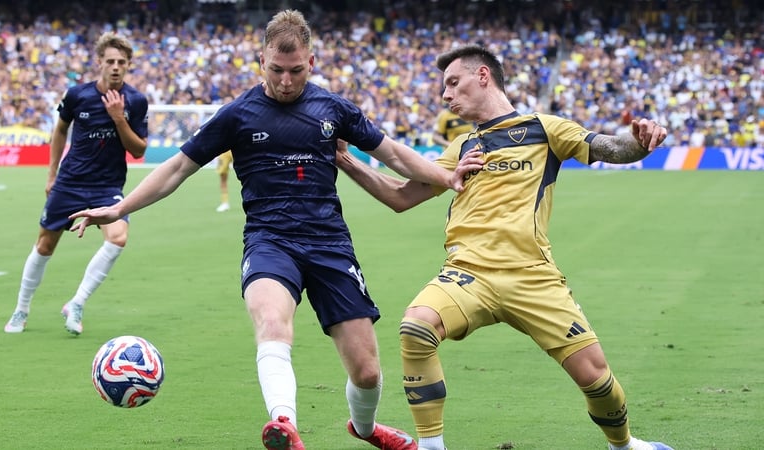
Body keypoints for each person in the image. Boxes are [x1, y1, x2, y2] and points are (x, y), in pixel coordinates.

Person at [68, 10, 475, 450]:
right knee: (272, 322)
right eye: (276, 70)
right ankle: (284, 424)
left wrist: (445, 175)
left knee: (367, 372)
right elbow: (176, 169)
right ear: (261, 61)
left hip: (329, 244)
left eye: (296, 70)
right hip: (269, 241)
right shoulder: (237, 115)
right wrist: (119, 208)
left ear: (311, 62)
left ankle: (365, 428)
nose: (285, 81)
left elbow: (393, 154)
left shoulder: (333, 109)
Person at [335, 44, 674, 450]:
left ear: (483, 76)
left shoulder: (544, 128)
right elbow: (400, 197)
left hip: (533, 276)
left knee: (595, 377)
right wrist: (347, 161)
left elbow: (612, 148)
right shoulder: (461, 147)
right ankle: (431, 447)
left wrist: (640, 142)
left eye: (453, 83)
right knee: (417, 326)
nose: (445, 95)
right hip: (467, 275)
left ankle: (625, 445)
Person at [3, 31, 148, 336]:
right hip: (70, 183)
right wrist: (51, 174)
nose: (116, 67)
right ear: (99, 62)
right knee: (45, 245)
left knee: (118, 238)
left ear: (128, 64)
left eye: (122, 62)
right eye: (110, 61)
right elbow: (59, 131)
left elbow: (138, 150)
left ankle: (77, 302)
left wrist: (119, 119)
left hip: (107, 187)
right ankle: (21, 309)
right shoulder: (77, 95)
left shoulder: (136, 101)